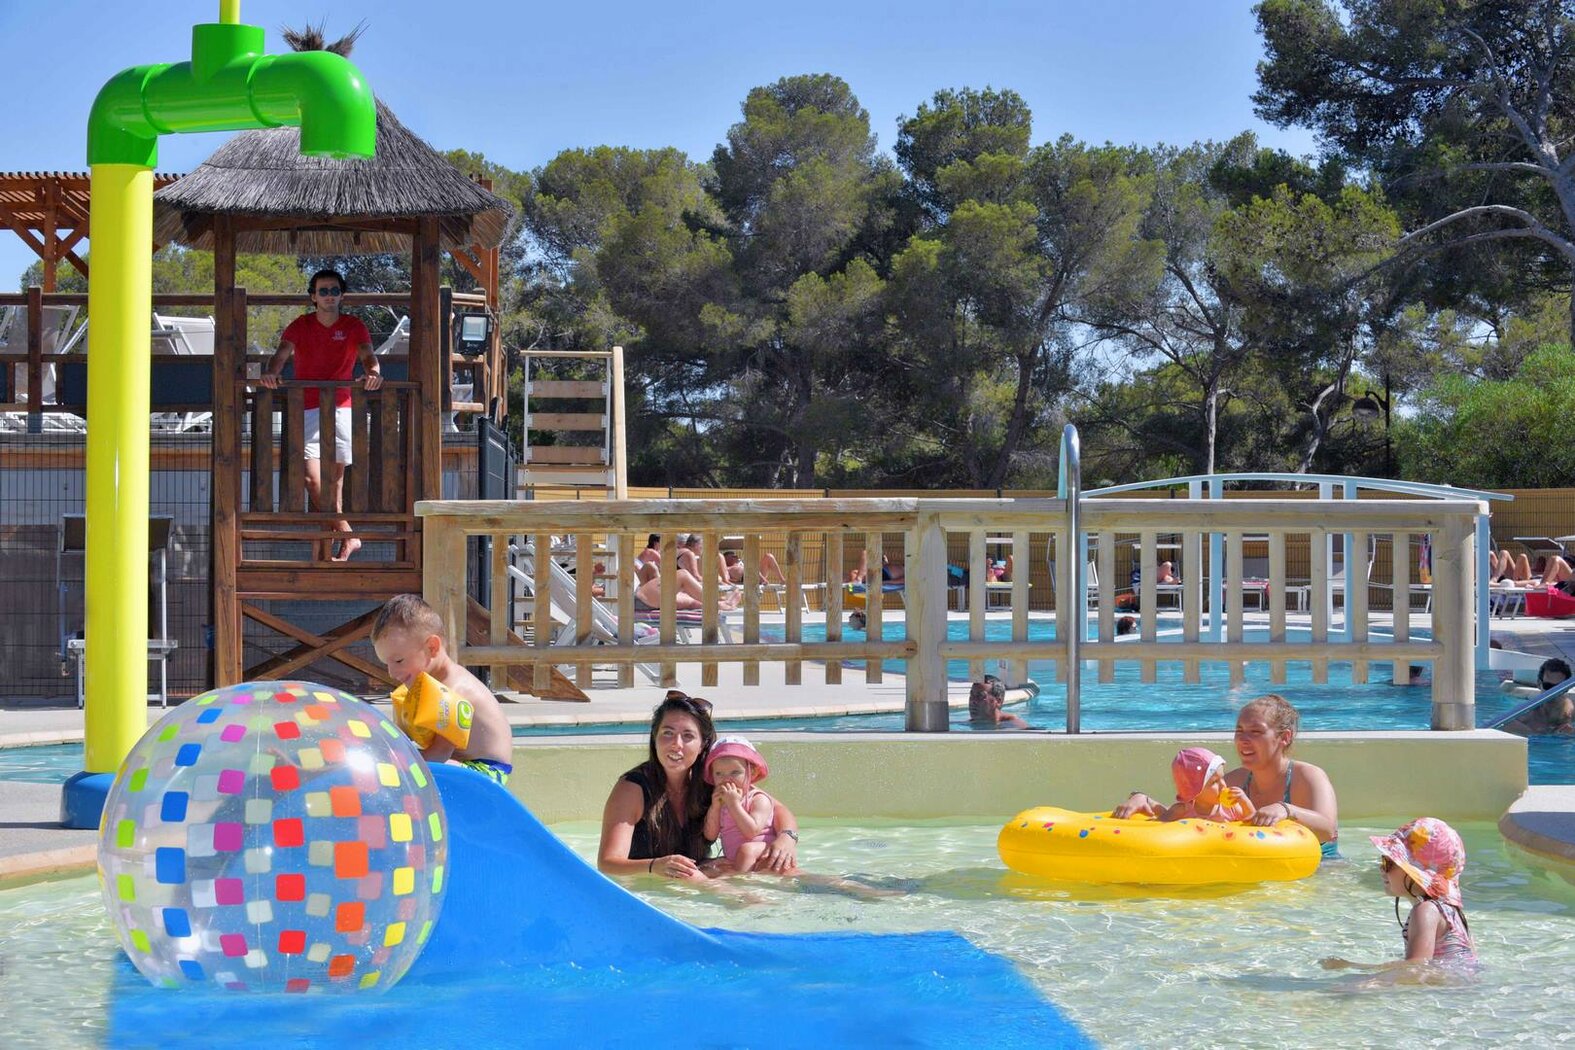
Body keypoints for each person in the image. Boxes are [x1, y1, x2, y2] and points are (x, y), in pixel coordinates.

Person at [597, 692, 799, 880]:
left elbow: (777, 809)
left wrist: (787, 838)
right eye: (667, 733)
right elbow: (607, 864)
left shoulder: (713, 778)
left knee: (789, 873)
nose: (676, 744)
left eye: (688, 736)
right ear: (654, 737)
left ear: (702, 744)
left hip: (701, 873)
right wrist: (655, 866)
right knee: (742, 896)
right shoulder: (633, 788)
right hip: (653, 887)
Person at [1113, 694, 1340, 858]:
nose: (1243, 739)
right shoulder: (1235, 781)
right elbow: (1187, 813)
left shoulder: (1308, 777)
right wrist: (1143, 799)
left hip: (1320, 872)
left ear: (1285, 737)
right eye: (1239, 731)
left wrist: (1285, 809)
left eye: (1256, 732)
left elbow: (1328, 830)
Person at [259, 269, 382, 562]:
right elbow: (280, 356)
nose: (329, 296)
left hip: (341, 408)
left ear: (342, 295)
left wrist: (373, 373)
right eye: (323, 291)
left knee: (333, 488)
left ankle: (326, 549)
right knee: (311, 479)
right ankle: (348, 534)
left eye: (334, 290)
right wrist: (271, 374)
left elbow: (368, 357)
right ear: (313, 297)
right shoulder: (300, 325)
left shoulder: (354, 326)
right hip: (308, 409)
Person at [370, 594, 514, 785]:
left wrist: (396, 766)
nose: (391, 672)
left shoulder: (453, 691)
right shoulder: (427, 686)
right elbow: (401, 739)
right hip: (462, 764)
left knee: (424, 769)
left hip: (486, 773)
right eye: (386, 663)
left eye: (398, 661)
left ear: (432, 647)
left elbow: (439, 754)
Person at [1321, 818, 1476, 975]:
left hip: (1445, 988)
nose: (1381, 869)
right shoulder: (1453, 912)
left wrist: (1351, 966)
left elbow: (1416, 969)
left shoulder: (1426, 910)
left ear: (1414, 871)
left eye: (1389, 863)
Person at [702, 736, 777, 873]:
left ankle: (739, 881)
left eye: (735, 772)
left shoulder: (758, 798)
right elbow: (710, 835)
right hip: (737, 858)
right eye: (719, 774)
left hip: (762, 851)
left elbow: (751, 831)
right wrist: (715, 807)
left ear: (752, 772)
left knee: (746, 850)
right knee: (705, 869)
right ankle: (737, 875)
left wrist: (734, 804)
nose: (726, 779)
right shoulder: (722, 800)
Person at [1158, 747, 1255, 822]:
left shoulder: (1230, 808)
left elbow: (1252, 822)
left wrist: (1245, 802)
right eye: (1215, 782)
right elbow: (1158, 829)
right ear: (1194, 790)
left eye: (1222, 778)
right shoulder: (1182, 810)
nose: (1223, 785)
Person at [1502, 657, 1575, 735]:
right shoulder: (1525, 716)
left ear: (1566, 688)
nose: (1553, 692)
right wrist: (1533, 733)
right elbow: (1503, 726)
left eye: (1559, 687)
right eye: (1548, 686)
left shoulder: (1572, 711)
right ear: (1539, 684)